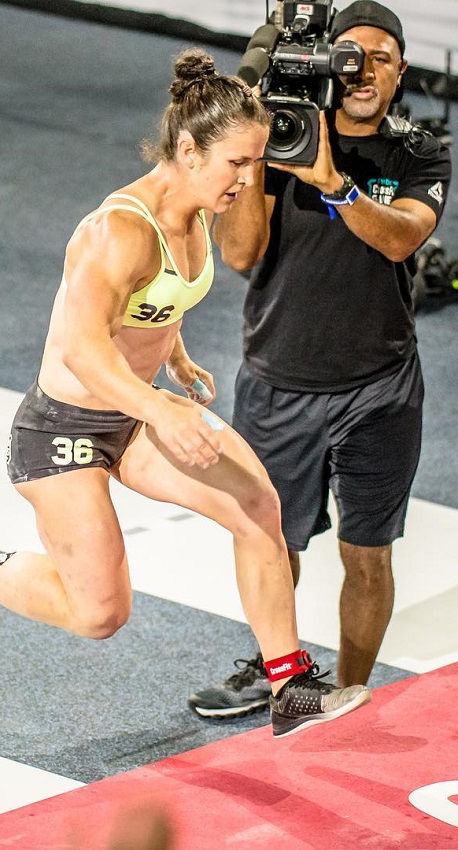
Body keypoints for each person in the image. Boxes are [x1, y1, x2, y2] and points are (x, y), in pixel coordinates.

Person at [0, 47, 372, 738]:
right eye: (236, 164)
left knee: (258, 505)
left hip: (131, 411)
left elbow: (154, 302)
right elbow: (82, 346)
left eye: (255, 162)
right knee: (100, 614)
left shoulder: (197, 206)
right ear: (188, 149)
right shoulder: (118, 230)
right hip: (63, 428)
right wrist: (156, 405)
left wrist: (174, 359)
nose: (249, 179)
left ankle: (290, 688)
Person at [189, 1, 452, 719]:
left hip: (381, 388)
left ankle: (348, 689)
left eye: (381, 58)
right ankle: (275, 669)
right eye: (350, 54)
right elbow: (239, 254)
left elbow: (401, 240)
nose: (362, 70)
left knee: (368, 552)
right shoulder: (278, 136)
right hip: (279, 380)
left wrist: (334, 183)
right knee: (273, 540)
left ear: (402, 73)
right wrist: (253, 159)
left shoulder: (421, 153)